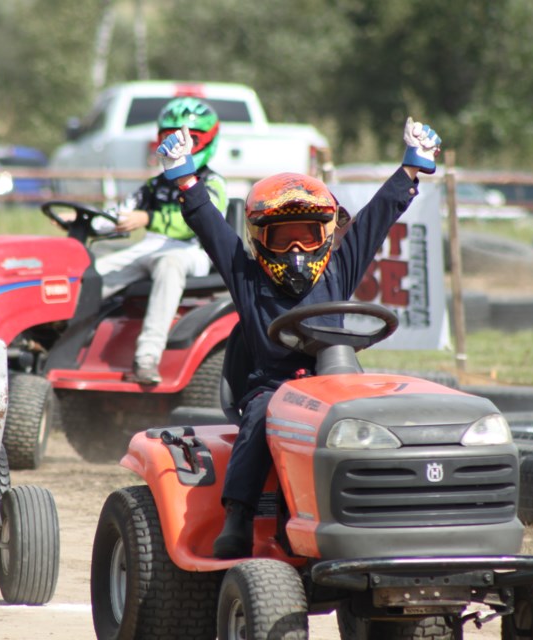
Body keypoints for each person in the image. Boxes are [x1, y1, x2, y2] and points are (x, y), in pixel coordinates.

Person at [157, 116, 441, 558]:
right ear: (260, 240)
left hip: (335, 385)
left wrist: (410, 171)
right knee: (263, 412)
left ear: (324, 237)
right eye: (283, 238)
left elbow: (374, 220)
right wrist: (187, 179)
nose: (295, 251)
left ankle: (390, 514)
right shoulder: (246, 279)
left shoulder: (339, 271)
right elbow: (211, 229)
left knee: (381, 413)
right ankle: (239, 515)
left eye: (306, 237)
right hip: (272, 388)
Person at [94, 96, 227, 385]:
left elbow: (201, 223)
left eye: (189, 138)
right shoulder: (155, 184)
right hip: (149, 247)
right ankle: (56, 335)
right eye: (171, 137)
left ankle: (147, 357)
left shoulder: (212, 183)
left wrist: (147, 219)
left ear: (207, 140)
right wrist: (86, 221)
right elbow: (118, 212)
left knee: (169, 264)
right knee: (92, 274)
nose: (179, 144)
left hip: (193, 252)